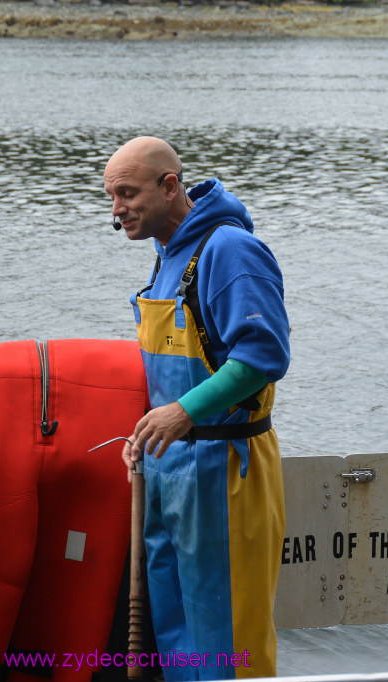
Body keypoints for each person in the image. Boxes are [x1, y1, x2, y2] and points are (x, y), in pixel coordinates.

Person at [103, 137, 289, 680]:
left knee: (229, 646)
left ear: (169, 187)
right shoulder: (166, 257)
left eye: (127, 194)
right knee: (180, 642)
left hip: (225, 470)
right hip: (169, 472)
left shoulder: (229, 249)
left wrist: (183, 412)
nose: (116, 211)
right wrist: (146, 435)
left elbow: (263, 356)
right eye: (111, 197)